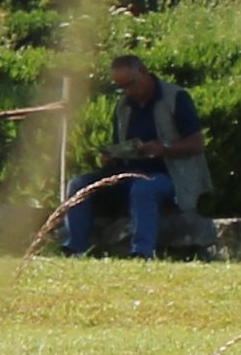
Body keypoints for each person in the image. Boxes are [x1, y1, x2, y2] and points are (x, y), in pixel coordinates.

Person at [78, 50, 211, 258]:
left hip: (171, 176)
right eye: (121, 87)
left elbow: (197, 144)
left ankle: (142, 252)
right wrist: (111, 157)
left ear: (143, 71)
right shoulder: (123, 106)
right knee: (78, 185)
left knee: (144, 189)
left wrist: (164, 149)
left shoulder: (175, 97)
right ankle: (74, 248)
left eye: (129, 84)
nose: (127, 92)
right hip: (128, 173)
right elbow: (118, 144)